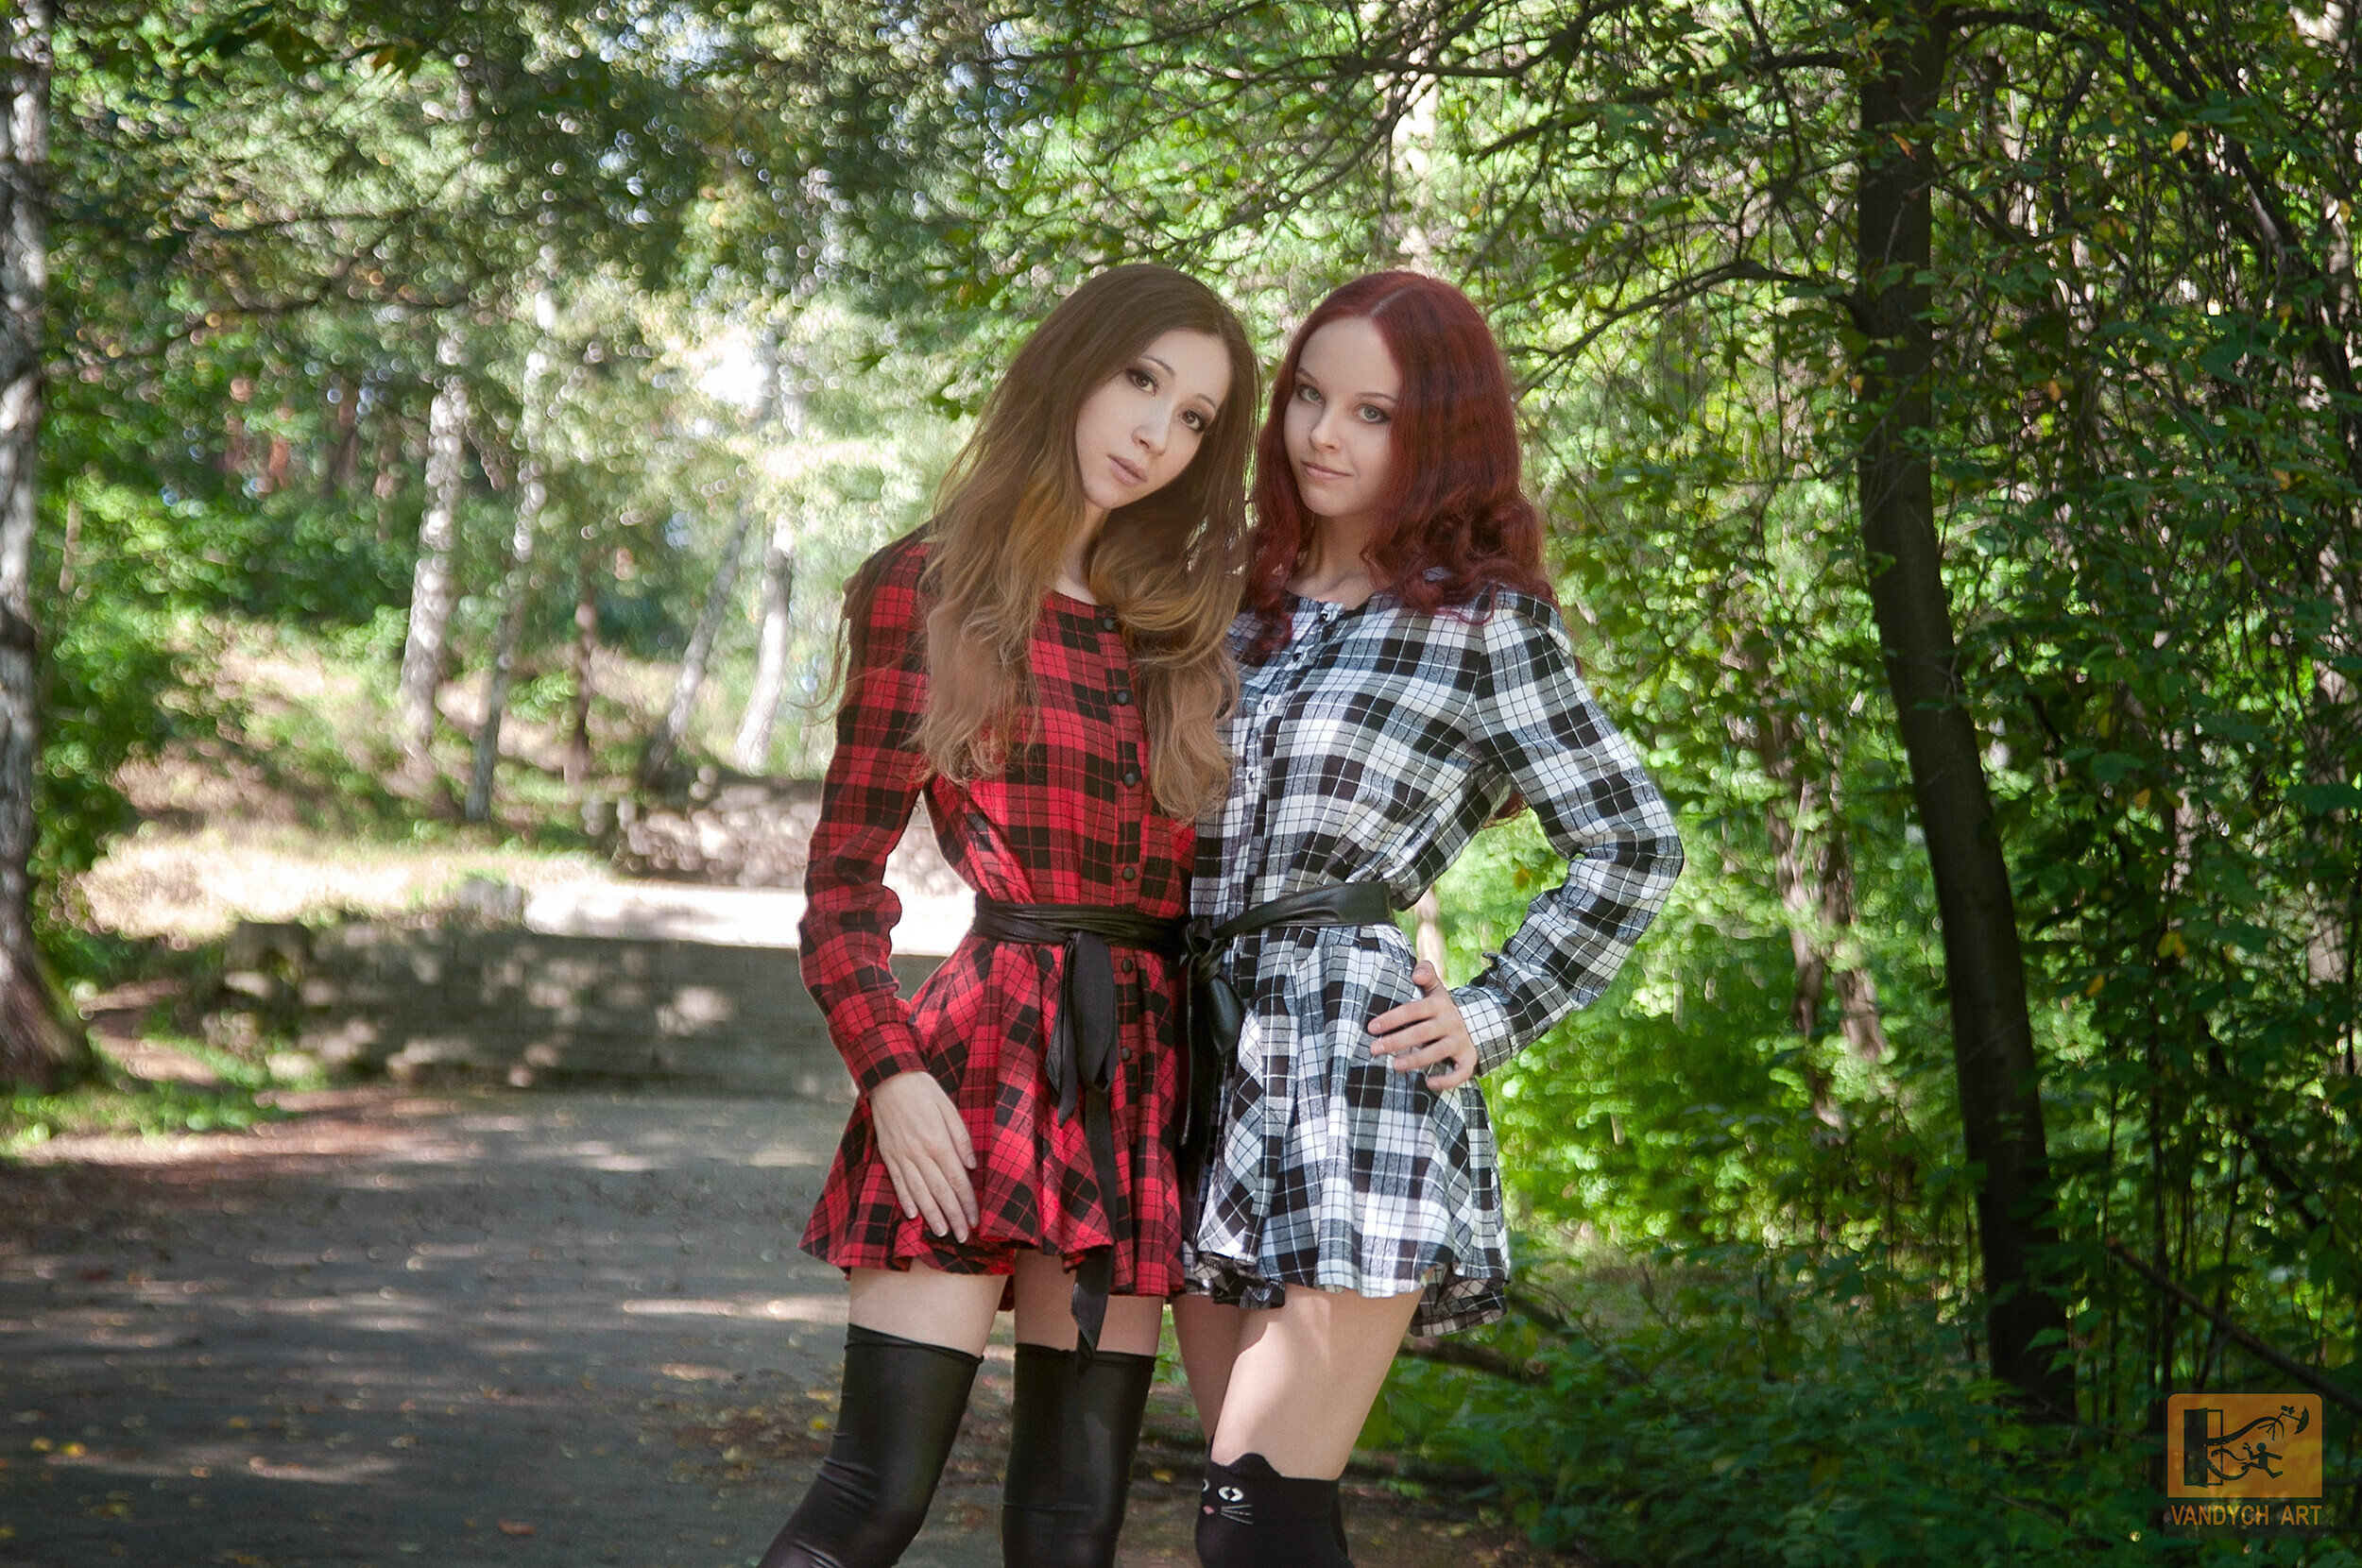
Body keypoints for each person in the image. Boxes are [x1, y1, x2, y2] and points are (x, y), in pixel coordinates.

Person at [1173, 272, 1684, 1566]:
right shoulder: (1234, 604)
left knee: (1250, 1518)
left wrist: (1494, 1012)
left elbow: (1632, 843)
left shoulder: (1483, 623)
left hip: (1352, 1074)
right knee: (1261, 1519)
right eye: (1308, 396)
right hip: (1205, 1062)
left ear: (1441, 435)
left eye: (1374, 414)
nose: (1321, 434)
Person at [760, 264, 1257, 1568]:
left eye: (1195, 418)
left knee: (1070, 1533)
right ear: (1071, 367)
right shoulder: (928, 589)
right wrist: (891, 1075)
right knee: (872, 1503)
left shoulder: (1185, 628)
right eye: (1141, 380)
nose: (1156, 432)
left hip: (1138, 1085)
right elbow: (841, 887)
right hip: (980, 1068)